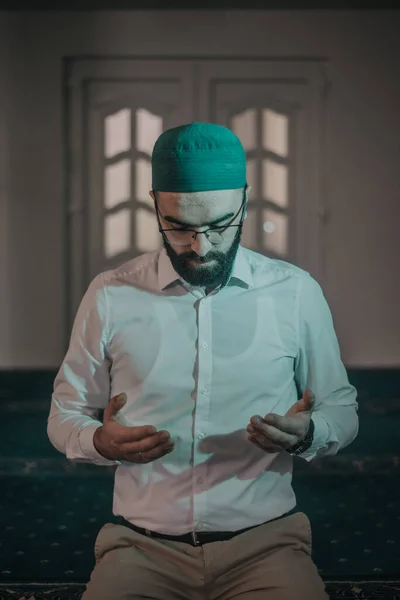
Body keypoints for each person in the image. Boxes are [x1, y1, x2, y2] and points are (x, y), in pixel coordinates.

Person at [47, 122, 359, 600]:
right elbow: (63, 414)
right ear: (154, 202)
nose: (202, 246)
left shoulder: (296, 292)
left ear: (245, 202)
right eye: (180, 227)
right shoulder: (110, 295)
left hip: (267, 545)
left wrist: (310, 433)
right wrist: (99, 442)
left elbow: (340, 408)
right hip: (140, 548)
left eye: (220, 224)